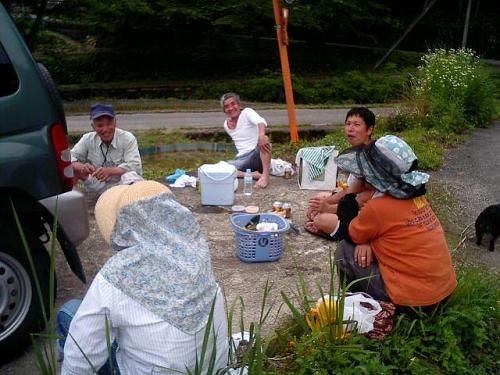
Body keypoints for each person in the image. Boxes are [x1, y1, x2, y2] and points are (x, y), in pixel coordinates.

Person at [57, 181, 229, 374]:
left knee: (68, 312)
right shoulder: (197, 252)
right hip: (214, 367)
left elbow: (80, 359)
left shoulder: (116, 275)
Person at [335, 135, 457, 312]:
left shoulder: (378, 207)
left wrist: (349, 197)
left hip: (417, 303)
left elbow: (349, 232)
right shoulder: (416, 197)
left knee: (344, 251)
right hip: (443, 293)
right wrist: (364, 241)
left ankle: (359, 306)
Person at [305, 107, 376, 238]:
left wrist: (328, 208)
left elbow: (366, 198)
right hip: (351, 202)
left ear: (369, 129)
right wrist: (322, 205)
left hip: (369, 212)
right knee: (320, 197)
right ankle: (324, 222)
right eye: (348, 124)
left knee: (321, 219)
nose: (350, 128)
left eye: (356, 124)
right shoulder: (358, 152)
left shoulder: (372, 157)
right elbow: (349, 190)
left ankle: (331, 229)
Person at [71, 103, 142, 194]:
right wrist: (82, 167)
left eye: (109, 124)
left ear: (115, 122)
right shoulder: (87, 139)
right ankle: (72, 199)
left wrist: (109, 171)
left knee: (131, 176)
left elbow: (135, 166)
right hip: (98, 184)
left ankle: (129, 198)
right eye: (100, 126)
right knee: (72, 170)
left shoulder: (127, 138)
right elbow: (68, 158)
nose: (105, 129)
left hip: (122, 185)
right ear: (93, 126)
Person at [221, 92, 271, 188]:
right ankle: (253, 175)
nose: (231, 108)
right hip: (242, 160)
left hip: (256, 154)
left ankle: (265, 176)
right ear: (224, 110)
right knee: (219, 169)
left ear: (239, 105)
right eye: (227, 106)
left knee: (265, 139)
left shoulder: (247, 112)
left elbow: (261, 122)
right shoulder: (226, 124)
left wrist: (261, 135)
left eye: (233, 104)